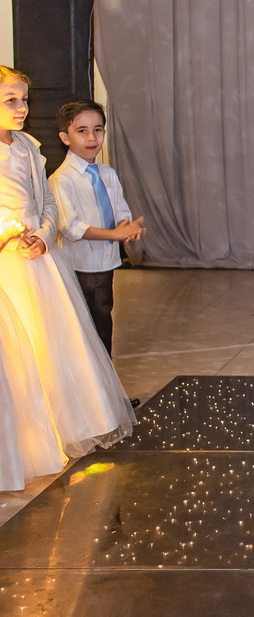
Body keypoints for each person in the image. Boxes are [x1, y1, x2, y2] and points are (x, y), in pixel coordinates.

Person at [0, 67, 135, 492]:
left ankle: (67, 423)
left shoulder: (27, 145)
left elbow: (43, 198)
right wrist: (11, 234)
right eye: (12, 101)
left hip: (41, 255)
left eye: (25, 99)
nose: (23, 109)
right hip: (10, 259)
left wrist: (42, 231)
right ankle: (29, 436)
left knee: (56, 341)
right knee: (20, 353)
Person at [49, 100, 146, 357]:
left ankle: (106, 387)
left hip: (105, 263)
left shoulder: (107, 173)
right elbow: (71, 227)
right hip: (80, 265)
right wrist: (114, 234)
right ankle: (90, 389)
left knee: (103, 323)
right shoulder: (61, 179)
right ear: (64, 137)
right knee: (84, 328)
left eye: (98, 129)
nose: (92, 137)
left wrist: (128, 227)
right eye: (82, 131)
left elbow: (119, 210)